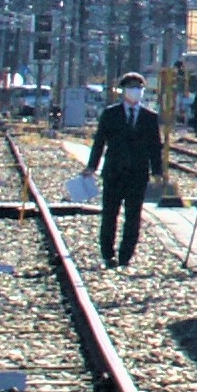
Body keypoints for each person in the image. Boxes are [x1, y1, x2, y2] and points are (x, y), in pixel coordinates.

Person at [84, 76, 166, 271]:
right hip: (114, 172)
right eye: (131, 88)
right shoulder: (110, 114)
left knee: (133, 216)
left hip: (138, 174)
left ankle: (125, 256)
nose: (136, 91)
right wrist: (92, 166)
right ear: (123, 91)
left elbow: (155, 147)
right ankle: (107, 254)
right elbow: (100, 142)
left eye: (139, 88)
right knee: (110, 214)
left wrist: (157, 171)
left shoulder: (149, 117)